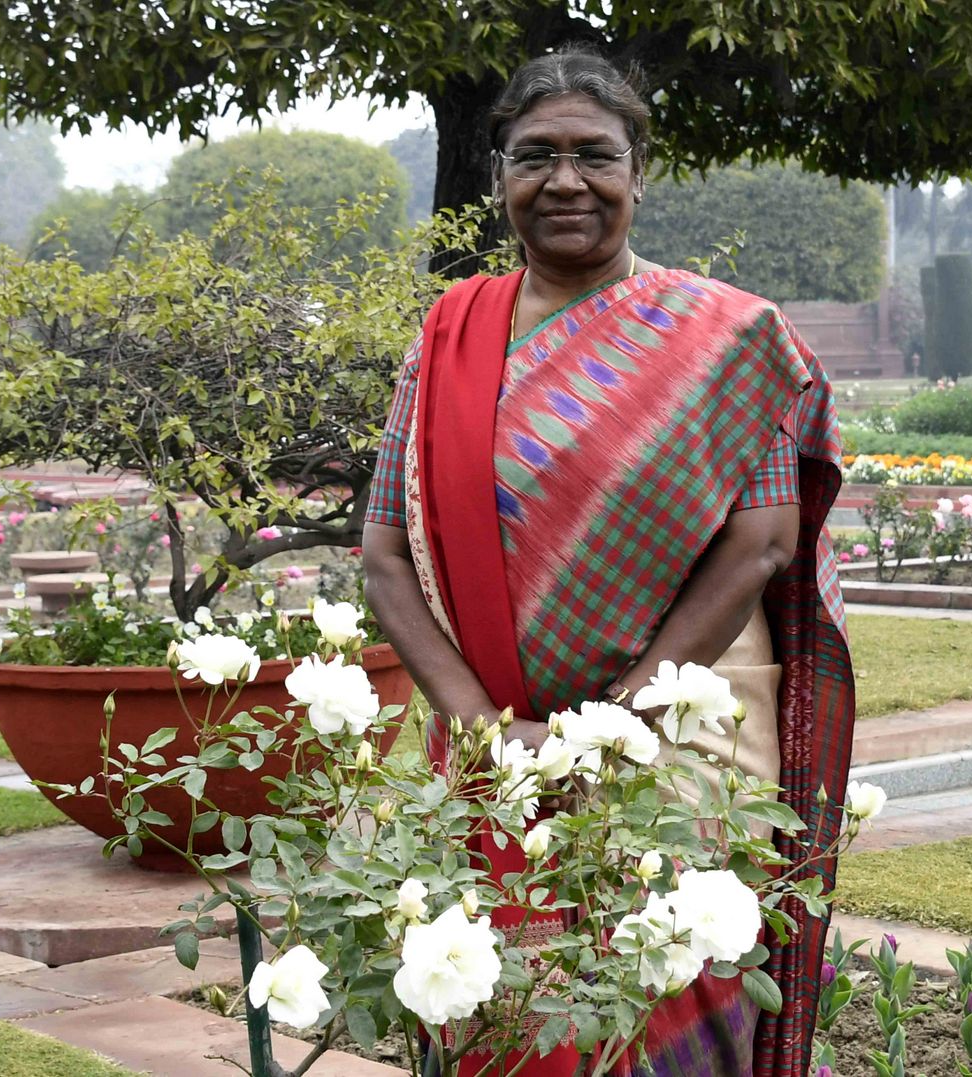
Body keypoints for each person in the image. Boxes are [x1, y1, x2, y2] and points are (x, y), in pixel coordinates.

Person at [361, 47, 855, 1077]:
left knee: (674, 986)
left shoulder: (729, 341)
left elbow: (763, 543)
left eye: (594, 155)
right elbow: (385, 553)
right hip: (490, 747)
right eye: (534, 156)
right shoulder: (449, 336)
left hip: (678, 733)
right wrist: (485, 729)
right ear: (498, 174)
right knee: (495, 997)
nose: (565, 181)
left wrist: (614, 722)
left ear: (639, 171)